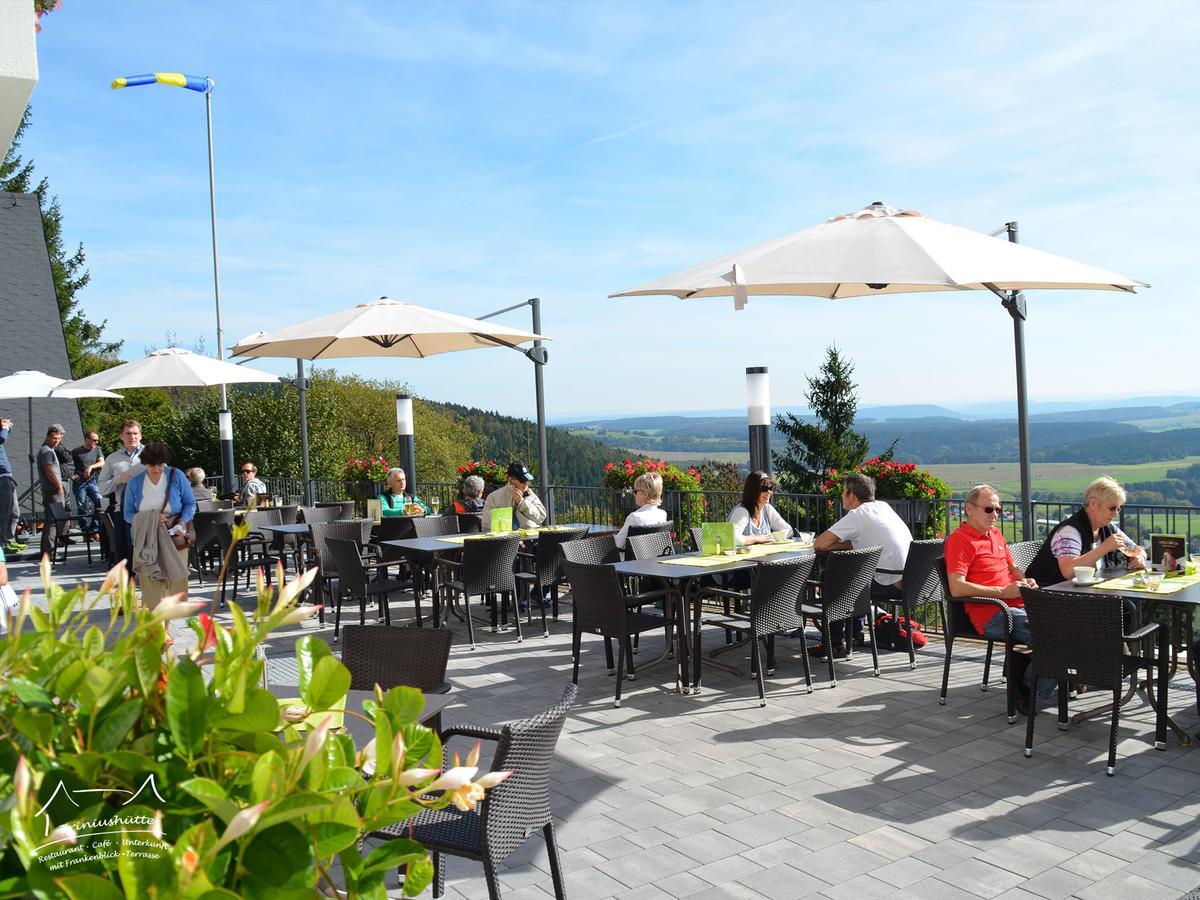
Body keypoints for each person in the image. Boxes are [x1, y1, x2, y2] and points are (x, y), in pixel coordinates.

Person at [944, 484, 1048, 710]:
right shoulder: (960, 540)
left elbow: (1012, 568)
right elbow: (956, 588)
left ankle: (1025, 670)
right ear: (970, 509)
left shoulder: (996, 534)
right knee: (1053, 636)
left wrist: (1024, 579)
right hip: (993, 613)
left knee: (1066, 624)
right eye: (989, 509)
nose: (996, 515)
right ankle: (1027, 686)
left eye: (998, 510)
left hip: (1018, 604)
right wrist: (1002, 593)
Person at [811, 473, 913, 658]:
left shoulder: (858, 514)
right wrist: (849, 544)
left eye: (843, 492)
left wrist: (843, 545)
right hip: (912, 583)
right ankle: (856, 633)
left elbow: (819, 544)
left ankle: (834, 644)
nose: (841, 496)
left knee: (831, 578)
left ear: (852, 496)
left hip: (889, 584)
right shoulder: (884, 507)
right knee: (854, 575)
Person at [1024, 476, 1146, 586]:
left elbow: (1136, 548)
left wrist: (1140, 556)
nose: (1115, 514)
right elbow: (1068, 571)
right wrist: (1104, 548)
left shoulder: (1107, 527)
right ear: (1093, 504)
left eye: (1118, 509)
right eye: (1112, 508)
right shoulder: (1069, 531)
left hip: (1088, 594)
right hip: (1054, 597)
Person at [123, 442, 195, 609]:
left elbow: (190, 504)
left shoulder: (176, 476)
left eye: (161, 465)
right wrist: (150, 518)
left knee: (174, 584)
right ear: (145, 464)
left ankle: (165, 629)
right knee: (152, 586)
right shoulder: (135, 483)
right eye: (152, 466)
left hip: (174, 537)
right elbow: (127, 514)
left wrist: (183, 522)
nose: (157, 469)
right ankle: (160, 629)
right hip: (146, 539)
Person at [97, 420, 146, 571]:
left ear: (141, 435)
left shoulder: (150, 455)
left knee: (147, 550)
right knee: (125, 553)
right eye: (128, 434)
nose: (132, 437)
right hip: (122, 511)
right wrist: (119, 479)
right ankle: (127, 587)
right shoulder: (112, 458)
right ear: (121, 436)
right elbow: (102, 488)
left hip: (147, 511)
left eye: (135, 433)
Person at [728, 471, 792, 545]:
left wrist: (772, 537)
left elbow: (789, 530)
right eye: (764, 489)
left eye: (770, 488)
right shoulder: (741, 511)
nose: (769, 492)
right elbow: (732, 539)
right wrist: (757, 538)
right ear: (752, 491)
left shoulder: (767, 508)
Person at [480, 461, 546, 529]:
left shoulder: (529, 493)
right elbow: (487, 526)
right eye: (522, 481)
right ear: (511, 480)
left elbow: (541, 518)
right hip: (504, 538)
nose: (526, 484)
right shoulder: (493, 497)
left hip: (531, 538)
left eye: (527, 480)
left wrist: (522, 503)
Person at [615, 471, 667, 550]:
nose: (634, 494)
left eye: (636, 491)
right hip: (653, 559)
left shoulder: (634, 517)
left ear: (645, 494)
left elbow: (617, 543)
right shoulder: (662, 514)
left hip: (634, 560)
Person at [37, 425, 67, 558]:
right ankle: (49, 553)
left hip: (51, 491)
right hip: (53, 492)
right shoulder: (46, 451)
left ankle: (46, 553)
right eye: (54, 438)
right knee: (53, 523)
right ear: (48, 436)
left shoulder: (48, 450)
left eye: (58, 438)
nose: (56, 441)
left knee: (51, 522)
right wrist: (59, 487)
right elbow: (48, 469)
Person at [70, 431, 105, 539]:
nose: (96, 442)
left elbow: (102, 462)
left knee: (99, 503)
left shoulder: (97, 450)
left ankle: (94, 529)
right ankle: (85, 532)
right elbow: (65, 463)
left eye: (97, 440)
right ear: (87, 439)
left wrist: (91, 467)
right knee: (82, 507)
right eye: (94, 440)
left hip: (92, 482)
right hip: (80, 483)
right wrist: (70, 475)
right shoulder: (76, 452)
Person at [0, 418, 24, 554]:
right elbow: (2, 438)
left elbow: (6, 434)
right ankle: (3, 543)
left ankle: (9, 539)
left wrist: (7, 426)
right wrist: (5, 427)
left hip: (7, 477)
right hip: (2, 479)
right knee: (4, 514)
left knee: (15, 512)